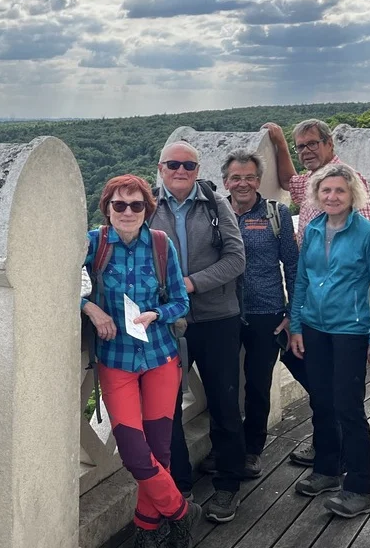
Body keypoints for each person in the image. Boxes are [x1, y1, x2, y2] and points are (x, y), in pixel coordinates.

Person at [82, 174, 201, 548]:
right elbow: (59, 284)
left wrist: (156, 314)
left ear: (147, 209)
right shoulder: (94, 243)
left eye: (136, 205)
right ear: (107, 208)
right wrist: (90, 308)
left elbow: (181, 301)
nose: (128, 211)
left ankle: (147, 528)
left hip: (160, 357)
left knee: (160, 450)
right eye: (119, 204)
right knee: (135, 454)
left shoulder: (161, 245)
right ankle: (182, 511)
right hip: (115, 360)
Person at [262, 118, 370, 467]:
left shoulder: (349, 182)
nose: (307, 151)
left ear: (329, 143)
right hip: (312, 312)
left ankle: (344, 461)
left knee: (344, 398)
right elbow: (287, 180)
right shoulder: (311, 188)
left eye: (313, 143)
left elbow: (362, 249)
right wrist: (280, 142)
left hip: (346, 318)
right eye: (302, 146)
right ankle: (329, 449)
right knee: (318, 384)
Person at [148, 142, 249, 523]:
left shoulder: (215, 205)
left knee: (225, 403)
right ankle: (179, 487)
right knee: (166, 407)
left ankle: (228, 485)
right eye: (173, 164)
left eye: (188, 165)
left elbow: (236, 259)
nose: (181, 171)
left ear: (197, 169)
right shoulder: (147, 206)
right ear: (161, 168)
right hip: (167, 323)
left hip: (217, 318)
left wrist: (189, 284)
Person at [288, 163, 370, 519]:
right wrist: (296, 325)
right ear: (317, 195)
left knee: (349, 407)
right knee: (321, 401)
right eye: (326, 190)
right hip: (314, 327)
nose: (332, 196)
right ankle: (327, 471)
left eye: (340, 190)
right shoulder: (313, 229)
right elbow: (302, 279)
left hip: (350, 330)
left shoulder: (369, 234)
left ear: (352, 195)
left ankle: (359, 488)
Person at [221, 149, 299, 476]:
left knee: (256, 385)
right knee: (223, 385)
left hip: (266, 312)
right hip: (222, 312)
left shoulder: (275, 214)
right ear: (225, 181)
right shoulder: (215, 212)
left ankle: (252, 450)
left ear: (259, 180)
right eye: (236, 177)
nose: (243, 183)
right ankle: (225, 447)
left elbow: (293, 266)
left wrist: (293, 313)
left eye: (250, 177)